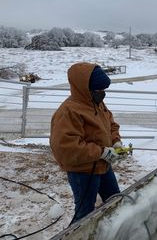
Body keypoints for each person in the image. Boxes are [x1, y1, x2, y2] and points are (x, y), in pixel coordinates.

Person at [50, 62, 126, 224]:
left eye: (103, 89)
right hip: (83, 172)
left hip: (103, 166)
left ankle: (117, 230)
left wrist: (116, 142)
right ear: (84, 88)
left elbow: (111, 124)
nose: (102, 93)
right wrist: (101, 152)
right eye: (98, 90)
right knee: (85, 212)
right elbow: (66, 147)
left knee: (116, 200)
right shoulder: (69, 111)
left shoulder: (97, 102)